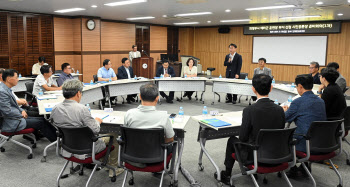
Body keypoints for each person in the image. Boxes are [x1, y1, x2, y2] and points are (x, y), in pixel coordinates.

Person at [220, 74, 285, 185]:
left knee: (232, 140)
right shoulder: (280, 109)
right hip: (278, 154)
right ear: (271, 88)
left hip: (256, 156)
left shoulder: (249, 110)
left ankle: (227, 174)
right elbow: (280, 130)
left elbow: (243, 137)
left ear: (253, 89)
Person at [50, 80, 123, 177]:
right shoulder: (82, 109)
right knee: (113, 135)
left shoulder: (55, 108)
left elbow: (53, 122)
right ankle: (113, 168)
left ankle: (102, 162)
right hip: (86, 149)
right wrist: (97, 121)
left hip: (67, 147)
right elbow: (96, 130)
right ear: (78, 93)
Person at [283, 74, 326, 177]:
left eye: (297, 86)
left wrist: (285, 111)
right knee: (305, 128)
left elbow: (284, 118)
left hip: (305, 143)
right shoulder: (321, 101)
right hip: (322, 142)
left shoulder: (298, 102)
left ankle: (293, 168)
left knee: (284, 137)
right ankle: (303, 167)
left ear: (300, 86)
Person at [0, 69, 56, 142]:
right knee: (41, 122)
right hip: (11, 122)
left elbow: (14, 106)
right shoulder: (2, 91)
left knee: (42, 120)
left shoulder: (6, 89)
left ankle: (59, 138)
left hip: (15, 117)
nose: (18, 79)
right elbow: (7, 111)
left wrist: (21, 110)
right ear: (8, 79)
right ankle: (57, 142)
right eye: (16, 77)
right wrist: (20, 113)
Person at [124, 83, 175, 157]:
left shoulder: (129, 114)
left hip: (133, 155)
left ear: (140, 96)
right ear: (157, 98)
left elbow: (126, 136)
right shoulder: (163, 116)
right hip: (156, 157)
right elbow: (170, 139)